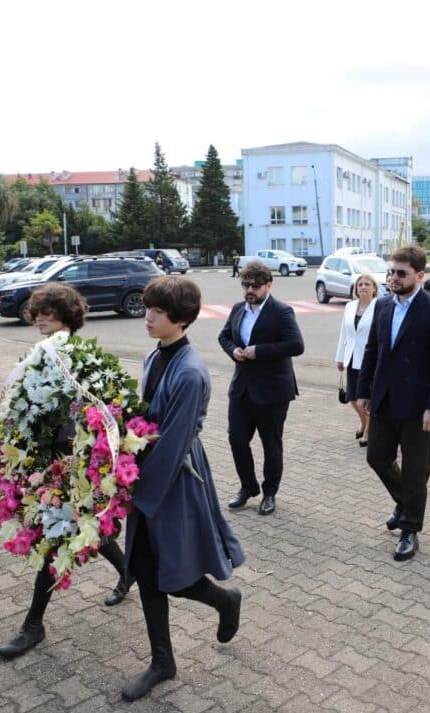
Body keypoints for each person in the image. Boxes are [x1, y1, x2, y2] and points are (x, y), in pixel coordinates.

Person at [121, 276, 245, 702]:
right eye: (147, 307)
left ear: (183, 318)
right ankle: (162, 660)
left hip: (172, 481)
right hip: (147, 475)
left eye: (157, 311)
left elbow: (172, 444)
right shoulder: (156, 356)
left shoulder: (190, 373)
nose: (148, 316)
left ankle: (225, 601)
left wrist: (136, 492)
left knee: (174, 572)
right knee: (144, 568)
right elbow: (146, 420)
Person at [0, 283, 133, 661]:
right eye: (36, 312)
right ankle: (129, 571)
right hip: (50, 460)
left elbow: (99, 409)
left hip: (74, 463)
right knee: (81, 527)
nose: (39, 318)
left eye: (48, 313)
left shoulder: (79, 358)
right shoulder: (41, 355)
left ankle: (33, 626)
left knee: (55, 537)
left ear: (66, 317)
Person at [357, 245, 430, 562]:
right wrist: (364, 391)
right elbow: (372, 350)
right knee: (377, 457)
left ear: (420, 275)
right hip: (384, 402)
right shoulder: (383, 306)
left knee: (415, 472)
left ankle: (410, 530)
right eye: (391, 272)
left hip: (419, 408)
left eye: (401, 273)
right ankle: (406, 503)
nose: (393, 278)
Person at [219, 261, 305, 516]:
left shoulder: (281, 312)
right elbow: (223, 337)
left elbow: (296, 345)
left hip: (273, 391)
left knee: (271, 444)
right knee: (236, 439)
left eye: (256, 285)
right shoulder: (238, 309)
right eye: (246, 284)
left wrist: (260, 351)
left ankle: (269, 493)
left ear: (268, 285)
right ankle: (248, 487)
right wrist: (234, 351)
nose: (250, 289)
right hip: (242, 389)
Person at [335, 273, 378, 447]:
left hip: (370, 359)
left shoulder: (379, 306)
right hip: (351, 357)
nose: (363, 287)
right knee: (352, 397)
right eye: (360, 284)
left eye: (367, 284)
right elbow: (343, 333)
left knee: (367, 396)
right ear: (356, 289)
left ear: (374, 288)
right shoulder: (350, 306)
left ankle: (368, 431)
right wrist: (340, 357)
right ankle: (364, 421)